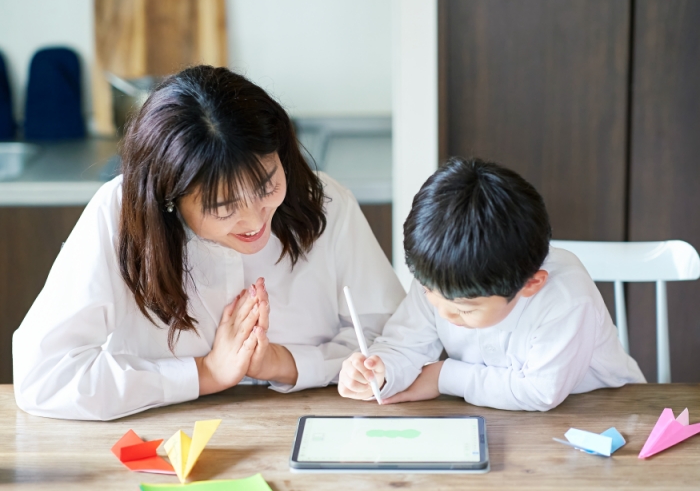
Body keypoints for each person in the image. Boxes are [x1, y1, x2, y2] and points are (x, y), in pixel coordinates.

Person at [13, 66, 405, 421]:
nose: (254, 220)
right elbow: (44, 376)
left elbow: (396, 340)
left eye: (267, 185)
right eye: (223, 206)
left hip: (313, 427)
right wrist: (204, 373)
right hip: (160, 440)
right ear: (170, 198)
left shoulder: (326, 203)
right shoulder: (117, 216)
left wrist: (285, 364)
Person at [338, 157, 645, 411]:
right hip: (504, 419)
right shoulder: (441, 281)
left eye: (464, 310)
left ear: (530, 285)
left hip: (607, 415)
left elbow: (540, 391)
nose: (444, 314)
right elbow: (404, 345)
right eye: (429, 293)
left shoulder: (567, 299)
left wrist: (442, 376)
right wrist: (380, 371)